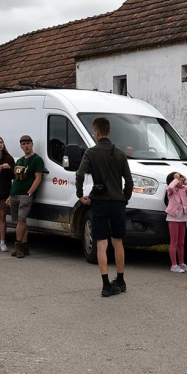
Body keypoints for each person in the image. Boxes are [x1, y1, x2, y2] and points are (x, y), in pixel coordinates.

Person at [76, 117, 133, 297]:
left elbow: (79, 174)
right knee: (118, 242)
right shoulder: (120, 153)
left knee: (101, 242)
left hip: (99, 202)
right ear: (108, 131)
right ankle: (121, 280)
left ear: (96, 132)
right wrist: (125, 198)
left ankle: (106, 284)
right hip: (117, 202)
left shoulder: (91, 153)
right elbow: (129, 182)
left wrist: (80, 195)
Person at [8, 135, 44, 258]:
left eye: (28, 143)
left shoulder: (37, 159)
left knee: (22, 220)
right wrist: (10, 194)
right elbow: (15, 179)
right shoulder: (20, 160)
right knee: (19, 221)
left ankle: (18, 247)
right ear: (21, 146)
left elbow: (38, 178)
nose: (26, 146)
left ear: (32, 144)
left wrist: (30, 192)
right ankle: (25, 246)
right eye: (23, 144)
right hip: (14, 193)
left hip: (25, 194)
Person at [165, 172, 187, 273]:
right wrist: (176, 179)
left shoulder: (183, 189)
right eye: (178, 180)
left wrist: (186, 179)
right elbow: (170, 187)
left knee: (181, 242)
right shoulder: (171, 191)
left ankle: (181, 263)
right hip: (173, 218)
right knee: (174, 242)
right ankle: (174, 265)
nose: (180, 181)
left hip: (183, 217)